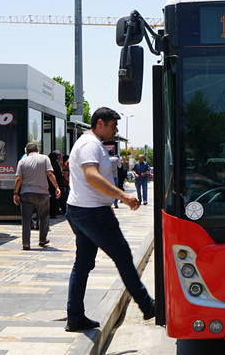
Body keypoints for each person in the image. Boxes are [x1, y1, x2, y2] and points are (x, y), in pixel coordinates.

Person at [65, 107, 154, 332]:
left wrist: (107, 203)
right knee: (122, 256)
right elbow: (91, 176)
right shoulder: (90, 144)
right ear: (100, 124)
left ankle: (75, 316)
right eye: (113, 126)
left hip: (81, 210)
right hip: (92, 212)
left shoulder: (89, 143)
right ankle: (147, 305)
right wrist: (123, 196)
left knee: (82, 264)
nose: (115, 131)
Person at [13, 142, 61, 250]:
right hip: (42, 193)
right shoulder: (44, 159)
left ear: (26, 151)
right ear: (37, 150)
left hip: (26, 193)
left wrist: (15, 193)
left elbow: (18, 179)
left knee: (26, 219)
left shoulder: (22, 161)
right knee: (44, 217)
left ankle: (26, 243)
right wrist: (57, 187)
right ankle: (42, 239)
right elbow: (50, 174)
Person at [48, 151, 66, 217]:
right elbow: (59, 176)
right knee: (55, 199)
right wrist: (60, 185)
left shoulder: (48, 165)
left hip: (49, 184)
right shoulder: (56, 165)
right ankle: (54, 212)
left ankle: (50, 211)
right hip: (56, 185)